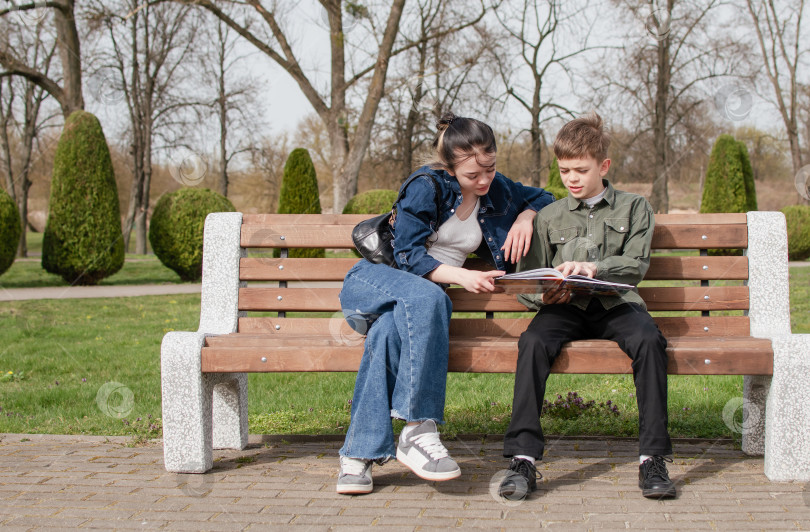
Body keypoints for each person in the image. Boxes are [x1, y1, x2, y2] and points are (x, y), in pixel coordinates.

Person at [336, 112, 555, 495]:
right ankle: (419, 427)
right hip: (375, 280)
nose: (484, 180)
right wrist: (464, 276)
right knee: (429, 295)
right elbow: (408, 258)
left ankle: (357, 456)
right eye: (473, 175)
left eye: (490, 168)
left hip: (419, 304)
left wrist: (526, 216)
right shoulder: (426, 186)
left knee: (387, 336)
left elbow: (545, 196)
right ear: (450, 168)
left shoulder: (498, 189)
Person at [498, 112, 676, 501]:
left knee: (649, 341)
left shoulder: (634, 207)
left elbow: (635, 266)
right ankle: (522, 459)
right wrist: (545, 295)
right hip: (566, 308)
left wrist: (595, 267)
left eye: (581, 169)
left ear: (604, 165)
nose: (572, 179)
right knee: (532, 343)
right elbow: (531, 278)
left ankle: (652, 459)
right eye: (564, 171)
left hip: (617, 304)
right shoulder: (549, 216)